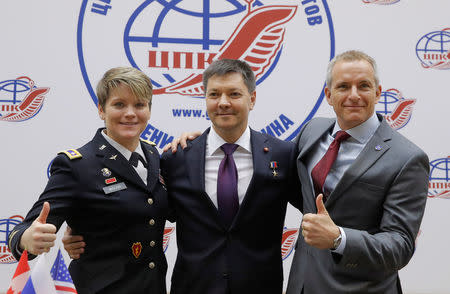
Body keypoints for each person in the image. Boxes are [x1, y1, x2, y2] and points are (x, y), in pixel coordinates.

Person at [64, 59, 302, 294]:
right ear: (205, 98)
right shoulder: (175, 158)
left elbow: (315, 209)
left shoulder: (284, 155)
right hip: (192, 287)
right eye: (214, 94)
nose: (223, 103)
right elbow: (142, 210)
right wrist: (85, 230)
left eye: (234, 94)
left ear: (252, 99)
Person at [8, 67, 169, 294]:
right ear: (101, 110)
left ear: (149, 110)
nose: (131, 113)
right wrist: (27, 239)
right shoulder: (77, 166)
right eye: (119, 104)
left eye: (140, 105)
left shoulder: (156, 158)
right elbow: (24, 229)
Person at [285, 50, 429, 294]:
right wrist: (199, 145)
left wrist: (338, 238)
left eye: (363, 85)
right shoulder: (312, 131)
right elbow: (280, 175)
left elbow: (400, 246)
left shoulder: (408, 158)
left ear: (378, 92)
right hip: (303, 283)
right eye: (343, 87)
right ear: (329, 95)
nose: (354, 95)